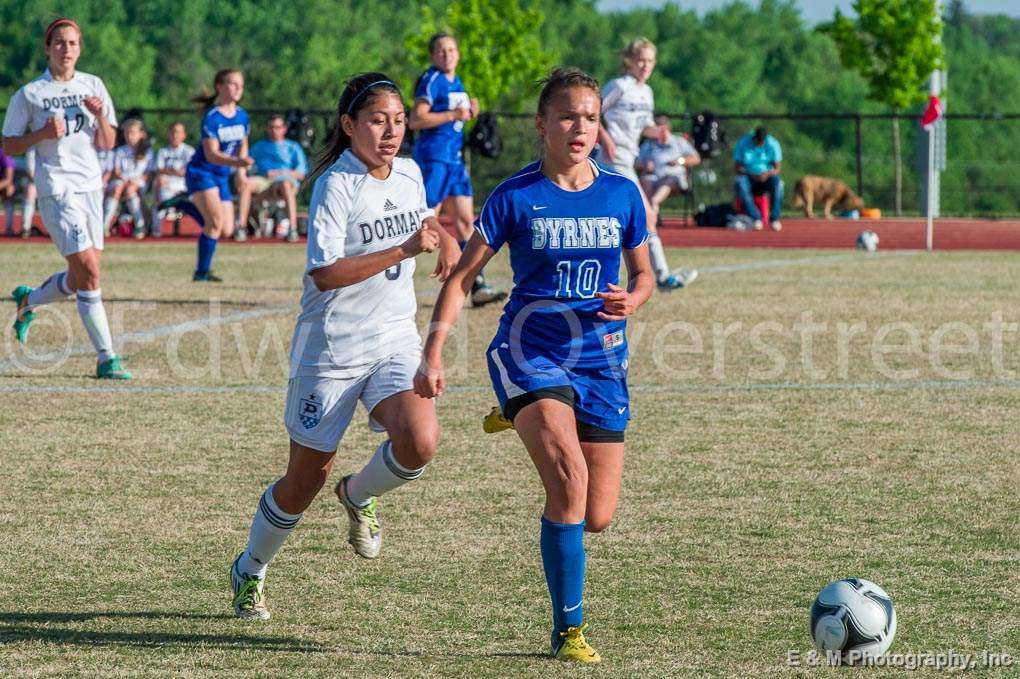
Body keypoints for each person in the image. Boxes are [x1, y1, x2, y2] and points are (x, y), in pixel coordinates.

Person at [414, 67, 654, 663]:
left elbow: (645, 274)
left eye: (591, 117)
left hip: (600, 360)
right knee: (568, 486)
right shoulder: (516, 195)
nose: (581, 128)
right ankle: (568, 629)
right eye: (568, 116)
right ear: (543, 124)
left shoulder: (622, 193)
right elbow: (463, 279)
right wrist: (434, 352)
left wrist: (635, 298)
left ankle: (521, 413)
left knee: (596, 516)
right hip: (530, 350)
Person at [229, 73, 460, 620]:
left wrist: (442, 234)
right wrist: (404, 247)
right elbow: (326, 274)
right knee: (305, 481)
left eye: (399, 120)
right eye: (378, 120)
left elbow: (419, 214)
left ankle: (359, 495)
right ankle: (250, 569)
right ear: (349, 124)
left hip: (393, 339)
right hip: (330, 350)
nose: (391, 131)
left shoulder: (408, 170)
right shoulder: (337, 185)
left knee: (421, 440)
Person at [2, 18, 130, 379]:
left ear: (80, 48)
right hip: (56, 189)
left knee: (82, 275)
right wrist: (41, 133)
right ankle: (108, 358)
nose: (66, 49)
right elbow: (8, 143)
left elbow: (107, 143)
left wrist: (100, 116)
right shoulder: (30, 94)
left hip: (91, 187)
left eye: (72, 43)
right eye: (59, 43)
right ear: (47, 48)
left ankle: (29, 300)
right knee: (89, 272)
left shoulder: (93, 85)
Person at [410, 32, 506, 307]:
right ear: (432, 56)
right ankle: (386, 277)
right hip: (434, 159)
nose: (447, 54)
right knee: (424, 221)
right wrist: (454, 114)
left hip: (454, 161)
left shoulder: (457, 81)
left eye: (451, 50)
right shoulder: (432, 80)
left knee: (467, 223)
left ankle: (478, 286)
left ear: (458, 54)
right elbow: (416, 119)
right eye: (440, 50)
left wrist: (471, 110)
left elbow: (458, 116)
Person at [598, 38, 694, 291]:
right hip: (613, 161)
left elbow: (644, 127)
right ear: (628, 60)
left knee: (609, 219)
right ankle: (662, 276)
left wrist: (658, 132)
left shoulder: (646, 92)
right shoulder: (619, 86)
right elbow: (590, 113)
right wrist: (605, 137)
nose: (645, 65)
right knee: (647, 214)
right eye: (640, 60)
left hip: (628, 160)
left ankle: (611, 274)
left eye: (650, 61)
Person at [185, 69, 252, 281]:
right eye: (232, 84)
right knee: (214, 222)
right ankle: (201, 273)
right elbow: (212, 155)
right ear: (220, 87)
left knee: (226, 229)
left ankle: (186, 205)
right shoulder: (212, 117)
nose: (238, 88)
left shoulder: (242, 115)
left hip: (221, 175)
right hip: (202, 172)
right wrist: (237, 163)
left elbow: (243, 144)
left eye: (240, 84)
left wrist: (241, 172)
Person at [235, 115, 308, 242]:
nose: (274, 130)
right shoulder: (259, 146)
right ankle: (241, 227)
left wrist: (279, 172)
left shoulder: (293, 147)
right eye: (271, 127)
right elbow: (246, 164)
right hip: (263, 180)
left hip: (284, 182)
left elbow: (301, 174)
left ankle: (292, 228)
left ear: (284, 128)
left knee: (285, 185)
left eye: (278, 127)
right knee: (246, 184)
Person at [637, 113, 701, 216]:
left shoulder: (679, 142)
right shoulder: (648, 144)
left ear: (665, 128)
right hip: (653, 177)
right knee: (647, 180)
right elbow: (636, 163)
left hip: (675, 180)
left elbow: (696, 159)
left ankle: (654, 202)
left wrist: (680, 161)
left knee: (668, 180)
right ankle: (648, 215)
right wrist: (645, 166)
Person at [103, 118, 152, 239]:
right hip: (123, 180)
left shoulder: (147, 151)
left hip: (139, 182)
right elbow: (117, 171)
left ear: (141, 134)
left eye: (133, 133)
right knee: (117, 188)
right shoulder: (120, 150)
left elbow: (148, 173)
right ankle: (105, 225)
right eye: (127, 133)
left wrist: (134, 181)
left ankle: (140, 225)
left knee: (130, 190)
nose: (130, 136)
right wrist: (125, 179)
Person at [733, 125, 783, 231]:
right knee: (741, 182)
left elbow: (778, 168)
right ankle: (756, 218)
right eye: (758, 141)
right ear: (754, 138)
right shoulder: (743, 143)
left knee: (778, 183)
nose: (760, 144)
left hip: (767, 178)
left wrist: (767, 174)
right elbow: (737, 167)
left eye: (762, 141)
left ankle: (775, 219)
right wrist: (751, 174)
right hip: (749, 177)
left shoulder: (773, 144)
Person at [150, 121, 194, 237]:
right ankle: (165, 214)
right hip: (167, 183)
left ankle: (168, 208)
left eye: (178, 132)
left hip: (184, 184)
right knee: (160, 181)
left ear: (184, 135)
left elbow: (189, 171)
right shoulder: (163, 151)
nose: (175, 135)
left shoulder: (189, 151)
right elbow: (159, 170)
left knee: (162, 183)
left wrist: (169, 171)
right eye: (173, 132)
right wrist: (174, 172)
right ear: (169, 134)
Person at [8, 149, 38, 238]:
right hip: (18, 180)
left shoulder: (34, 148)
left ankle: (26, 228)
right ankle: (12, 228)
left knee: (30, 190)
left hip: (39, 182)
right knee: (9, 191)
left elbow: (31, 174)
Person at [0, 148, 15, 235]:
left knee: (9, 190)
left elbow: (8, 180)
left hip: (5, 184)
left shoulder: (4, 153)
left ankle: (9, 228)